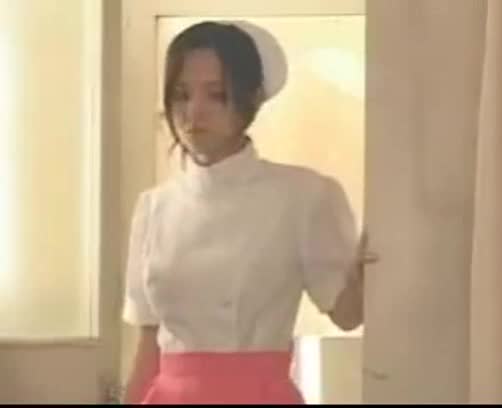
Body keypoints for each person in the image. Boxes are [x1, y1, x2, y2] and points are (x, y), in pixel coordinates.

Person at [121, 20, 372, 405]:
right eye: (181, 95)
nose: (194, 112)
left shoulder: (304, 195)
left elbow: (348, 314)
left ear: (251, 100)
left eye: (216, 95)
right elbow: (148, 346)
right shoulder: (153, 207)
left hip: (258, 394)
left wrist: (378, 256)